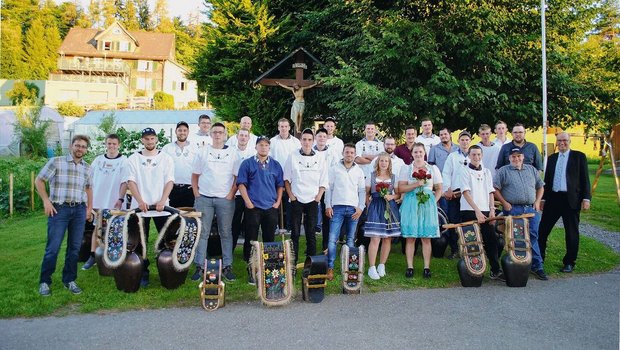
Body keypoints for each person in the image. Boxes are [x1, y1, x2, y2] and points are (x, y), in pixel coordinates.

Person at [35, 135, 93, 296]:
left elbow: (89, 189)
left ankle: (69, 280)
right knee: (53, 248)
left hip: (79, 211)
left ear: (86, 149)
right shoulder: (56, 162)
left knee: (74, 248)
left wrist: (89, 208)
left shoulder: (87, 168)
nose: (80, 148)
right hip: (59, 209)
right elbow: (39, 181)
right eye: (77, 145)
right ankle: (45, 282)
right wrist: (46, 201)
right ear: (71, 146)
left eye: (83, 146)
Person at [126, 127, 175, 287]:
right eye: (146, 139)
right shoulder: (133, 159)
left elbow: (169, 181)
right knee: (140, 243)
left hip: (161, 208)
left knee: (166, 242)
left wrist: (163, 200)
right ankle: (143, 273)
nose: (150, 141)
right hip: (141, 208)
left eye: (152, 138)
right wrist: (139, 200)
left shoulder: (166, 158)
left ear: (156, 140)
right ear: (142, 140)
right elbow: (131, 181)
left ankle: (166, 271)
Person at [191, 122, 240, 282]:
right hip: (204, 198)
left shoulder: (233, 153)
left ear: (225, 135)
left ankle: (227, 266)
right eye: (215, 132)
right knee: (203, 233)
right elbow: (195, 175)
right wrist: (197, 194)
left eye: (221, 132)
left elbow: (237, 177)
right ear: (211, 134)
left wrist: (231, 194)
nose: (218, 135)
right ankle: (200, 266)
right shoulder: (203, 152)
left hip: (224, 199)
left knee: (226, 233)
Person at [538, 132, 591, 273]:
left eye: (565, 140)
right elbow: (547, 180)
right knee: (542, 230)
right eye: (559, 140)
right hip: (553, 199)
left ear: (570, 141)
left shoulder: (578, 157)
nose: (562, 143)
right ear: (556, 142)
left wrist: (586, 198)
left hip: (571, 200)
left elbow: (585, 179)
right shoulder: (552, 158)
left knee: (571, 233)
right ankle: (539, 259)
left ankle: (569, 262)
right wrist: (543, 198)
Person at [494, 147, 548, 280]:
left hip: (531, 209)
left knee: (533, 235)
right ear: (509, 158)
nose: (516, 159)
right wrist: (504, 203)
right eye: (513, 156)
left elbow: (540, 186)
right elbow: (495, 189)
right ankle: (518, 263)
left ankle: (536, 265)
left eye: (518, 156)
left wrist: (537, 201)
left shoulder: (531, 170)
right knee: (516, 237)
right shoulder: (503, 171)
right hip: (513, 209)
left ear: (523, 157)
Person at [237, 136, 284, 284]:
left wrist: (277, 202)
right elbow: (241, 184)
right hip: (253, 207)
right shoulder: (247, 163)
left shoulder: (276, 165)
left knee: (269, 239)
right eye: (261, 145)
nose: (263, 147)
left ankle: (269, 269)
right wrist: (248, 202)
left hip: (270, 207)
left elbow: (280, 185)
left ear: (269, 148)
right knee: (251, 239)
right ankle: (251, 268)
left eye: (266, 145)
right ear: (256, 147)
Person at [82, 134, 128, 270]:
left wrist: (120, 199)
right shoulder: (98, 160)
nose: (111, 146)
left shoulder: (124, 161)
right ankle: (93, 256)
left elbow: (125, 182)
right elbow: (88, 180)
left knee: (116, 230)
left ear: (119, 145)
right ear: (105, 144)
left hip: (114, 202)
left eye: (114, 144)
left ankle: (115, 257)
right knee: (97, 229)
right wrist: (88, 200)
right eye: (109, 143)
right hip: (98, 201)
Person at [284, 129, 328, 265]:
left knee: (311, 233)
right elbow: (286, 179)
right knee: (295, 233)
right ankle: (293, 261)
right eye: (304, 139)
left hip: (313, 200)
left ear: (313, 140)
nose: (307, 142)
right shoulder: (292, 156)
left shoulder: (320, 158)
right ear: (300, 140)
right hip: (296, 199)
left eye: (309, 139)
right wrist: (291, 196)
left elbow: (323, 180)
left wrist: (318, 197)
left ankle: (311, 263)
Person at [460, 145, 504, 281]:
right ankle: (473, 270)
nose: (476, 157)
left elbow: (491, 192)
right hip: (469, 210)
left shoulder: (487, 172)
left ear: (482, 155)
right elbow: (466, 193)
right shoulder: (464, 171)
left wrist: (492, 210)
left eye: (479, 154)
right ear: (469, 156)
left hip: (485, 210)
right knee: (471, 241)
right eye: (473, 155)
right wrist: (477, 212)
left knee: (492, 240)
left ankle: (495, 270)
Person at [398, 143, 442, 279]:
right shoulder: (406, 169)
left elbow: (439, 188)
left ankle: (426, 267)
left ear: (424, 153)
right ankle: (410, 267)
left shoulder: (433, 169)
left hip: (427, 203)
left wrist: (433, 202)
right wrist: (417, 184)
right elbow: (401, 189)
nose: (418, 155)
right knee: (411, 237)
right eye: (415, 152)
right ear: (412, 154)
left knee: (426, 237)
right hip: (411, 202)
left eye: (420, 152)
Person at [325, 144, 366, 281]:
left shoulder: (359, 171)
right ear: (343, 153)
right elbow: (328, 188)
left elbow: (362, 191)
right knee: (332, 239)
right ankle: (329, 267)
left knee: (350, 239)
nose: (349, 155)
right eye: (347, 152)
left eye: (352, 153)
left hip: (353, 209)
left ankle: (350, 268)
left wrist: (361, 207)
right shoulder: (334, 169)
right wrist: (328, 205)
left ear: (355, 155)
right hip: (337, 208)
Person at [364, 153, 401, 280]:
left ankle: (382, 265)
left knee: (387, 238)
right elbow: (366, 193)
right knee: (375, 238)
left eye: (386, 161)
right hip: (375, 206)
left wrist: (392, 196)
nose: (384, 163)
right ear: (378, 162)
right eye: (381, 161)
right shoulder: (372, 176)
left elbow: (398, 195)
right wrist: (368, 205)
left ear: (389, 163)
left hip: (389, 207)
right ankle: (372, 267)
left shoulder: (393, 177)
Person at [441, 130, 472, 259]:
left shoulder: (474, 155)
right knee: (453, 221)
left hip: (470, 195)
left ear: (470, 141)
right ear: (458, 141)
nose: (464, 142)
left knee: (468, 222)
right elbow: (446, 173)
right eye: (462, 140)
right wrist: (447, 189)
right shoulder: (452, 156)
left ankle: (470, 249)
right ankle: (454, 249)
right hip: (455, 194)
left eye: (467, 140)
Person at [269, 118, 301, 229]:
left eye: (285, 126)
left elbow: (298, 159)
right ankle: (276, 225)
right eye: (281, 126)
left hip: (291, 177)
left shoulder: (296, 142)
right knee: (276, 201)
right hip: (276, 177)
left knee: (290, 201)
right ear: (278, 127)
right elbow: (270, 159)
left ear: (289, 128)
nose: (283, 128)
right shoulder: (272, 141)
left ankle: (289, 226)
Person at [231, 128, 257, 252]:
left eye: (245, 136)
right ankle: (230, 249)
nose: (243, 138)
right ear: (237, 136)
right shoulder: (230, 152)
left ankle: (248, 252)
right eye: (241, 135)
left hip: (249, 194)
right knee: (234, 223)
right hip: (235, 194)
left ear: (248, 138)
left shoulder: (253, 153)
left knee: (249, 224)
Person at [161, 121, 198, 208]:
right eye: (180, 130)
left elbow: (199, 168)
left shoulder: (195, 148)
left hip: (189, 188)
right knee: (173, 218)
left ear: (188, 132)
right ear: (176, 131)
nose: (182, 132)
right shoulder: (167, 148)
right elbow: (161, 168)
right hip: (172, 188)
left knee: (188, 217)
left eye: (185, 130)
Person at [314, 127, 339, 249]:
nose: (322, 138)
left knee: (327, 216)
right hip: (313, 188)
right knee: (312, 217)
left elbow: (336, 170)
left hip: (328, 188)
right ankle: (311, 246)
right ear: (316, 138)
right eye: (319, 136)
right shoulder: (310, 152)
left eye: (324, 136)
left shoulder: (333, 153)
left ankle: (326, 245)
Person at [428, 127, 458, 213]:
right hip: (441, 184)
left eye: (445, 134)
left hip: (456, 183)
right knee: (444, 210)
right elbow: (431, 167)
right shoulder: (434, 149)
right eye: (441, 135)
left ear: (450, 135)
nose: (443, 136)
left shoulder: (457, 148)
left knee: (455, 210)